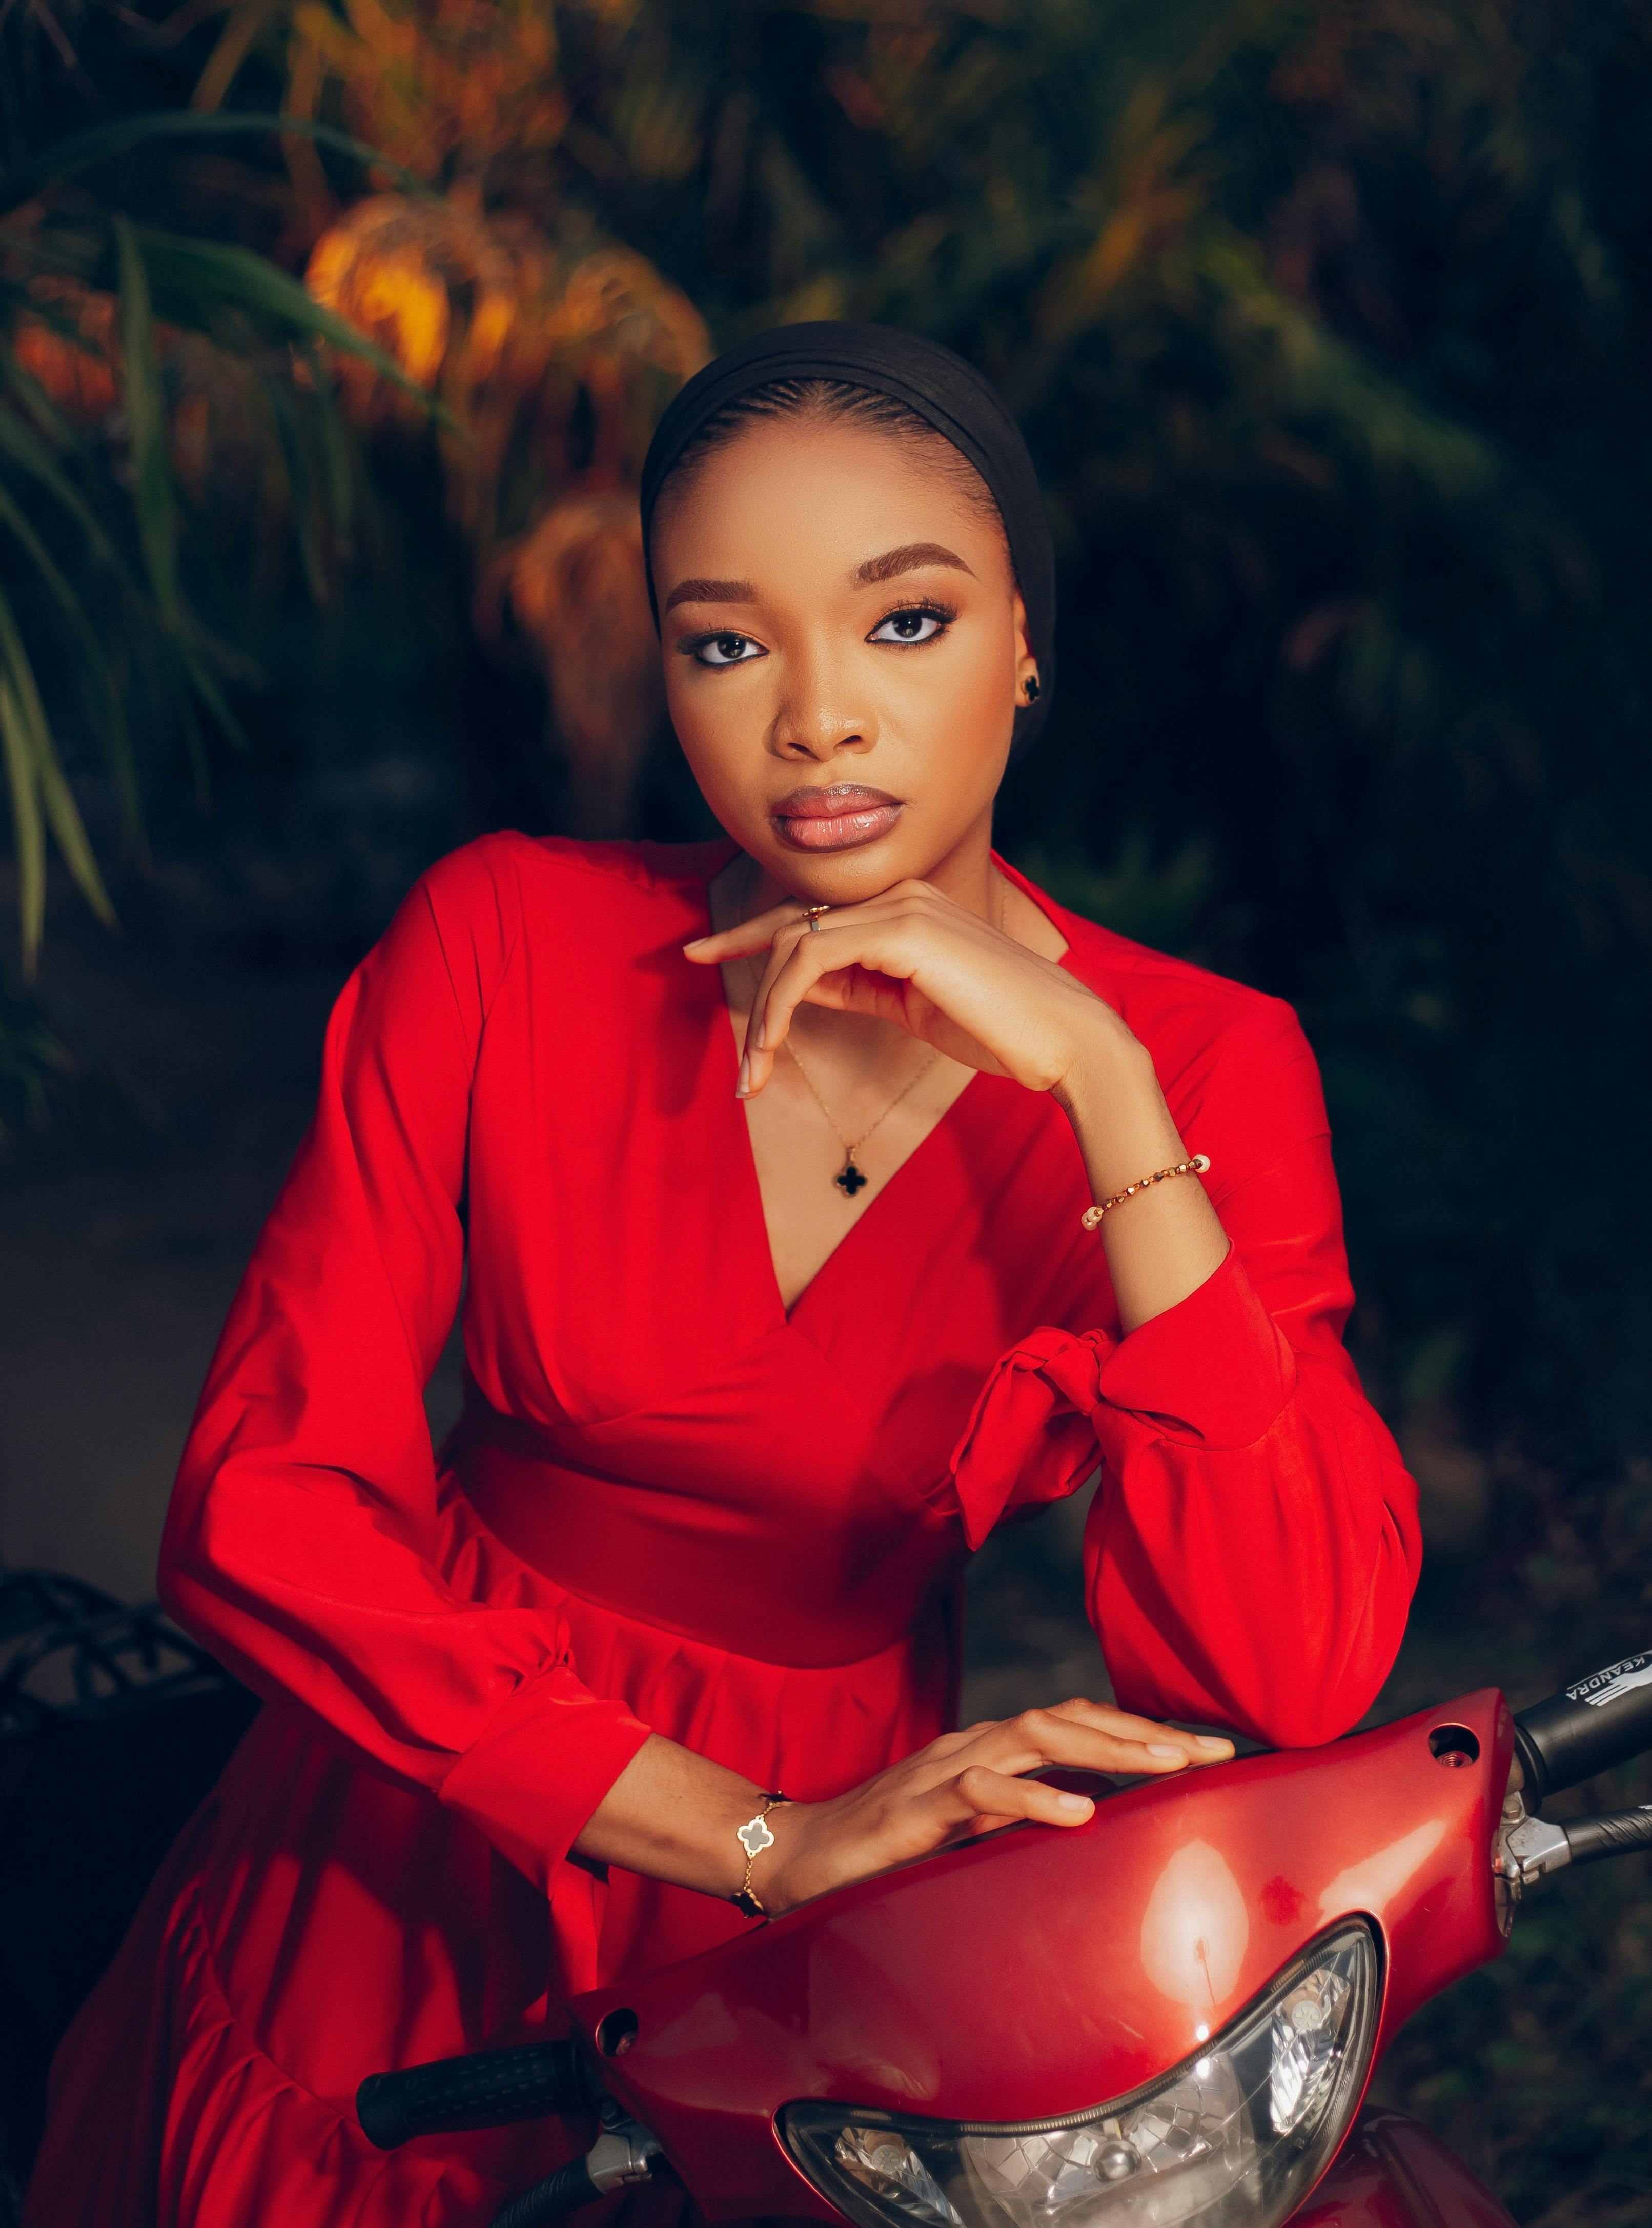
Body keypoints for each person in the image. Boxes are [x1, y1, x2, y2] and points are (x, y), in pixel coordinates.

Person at [25, 325, 1421, 2227]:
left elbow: (1290, 1662)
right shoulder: (505, 937)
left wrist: (1101, 1080)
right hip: (413, 1831)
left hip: (832, 1943)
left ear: (1026, 636)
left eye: (903, 624)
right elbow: (263, 1502)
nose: (816, 718)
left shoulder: (1205, 1062)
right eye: (727, 639)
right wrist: (755, 1834)